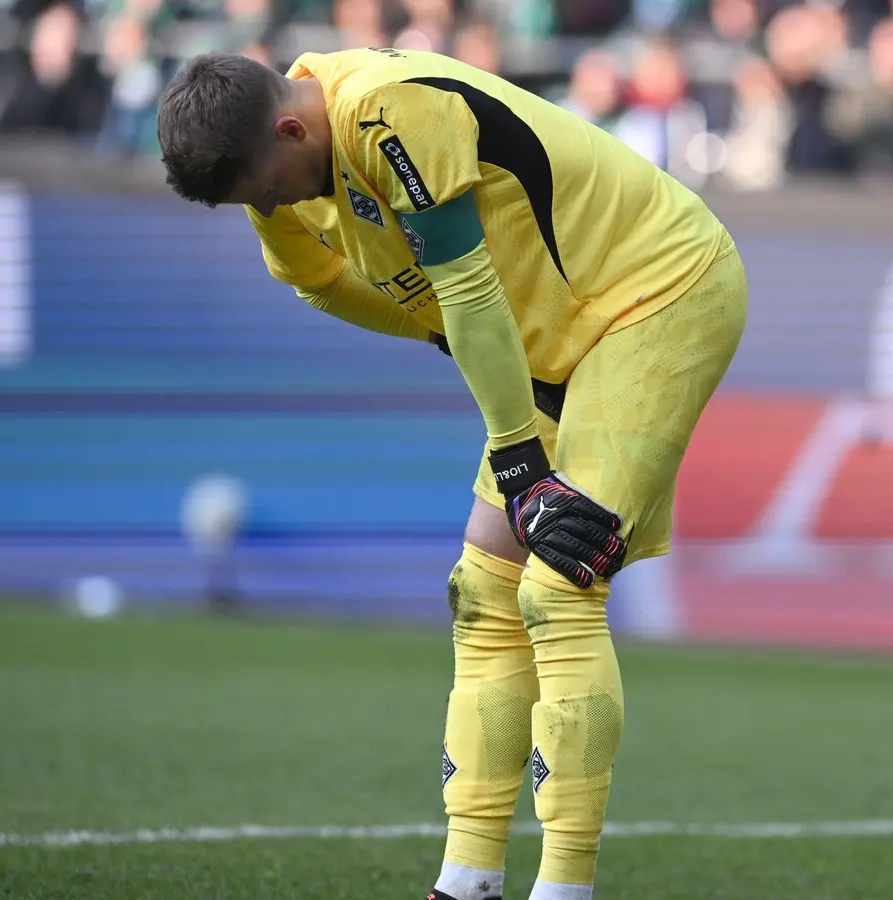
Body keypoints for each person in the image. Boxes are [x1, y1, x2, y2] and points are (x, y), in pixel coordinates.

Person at [154, 48, 747, 900]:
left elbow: (469, 294)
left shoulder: (393, 113)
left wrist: (518, 455)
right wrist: (446, 341)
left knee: (560, 578)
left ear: (290, 127)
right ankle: (467, 880)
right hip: (553, 337)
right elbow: (322, 282)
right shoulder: (272, 146)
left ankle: (565, 886)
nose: (276, 207)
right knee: (483, 591)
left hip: (660, 291)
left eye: (269, 189)